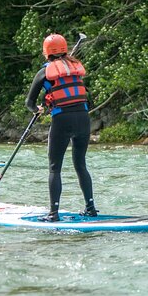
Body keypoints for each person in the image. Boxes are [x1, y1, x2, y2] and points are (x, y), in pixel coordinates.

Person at [25, 34, 97, 222]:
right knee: (80, 165)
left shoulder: (44, 72)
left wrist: (37, 109)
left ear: (46, 52)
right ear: (65, 49)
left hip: (62, 120)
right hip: (83, 118)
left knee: (54, 168)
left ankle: (53, 214)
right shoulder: (74, 67)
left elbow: (29, 102)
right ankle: (91, 208)